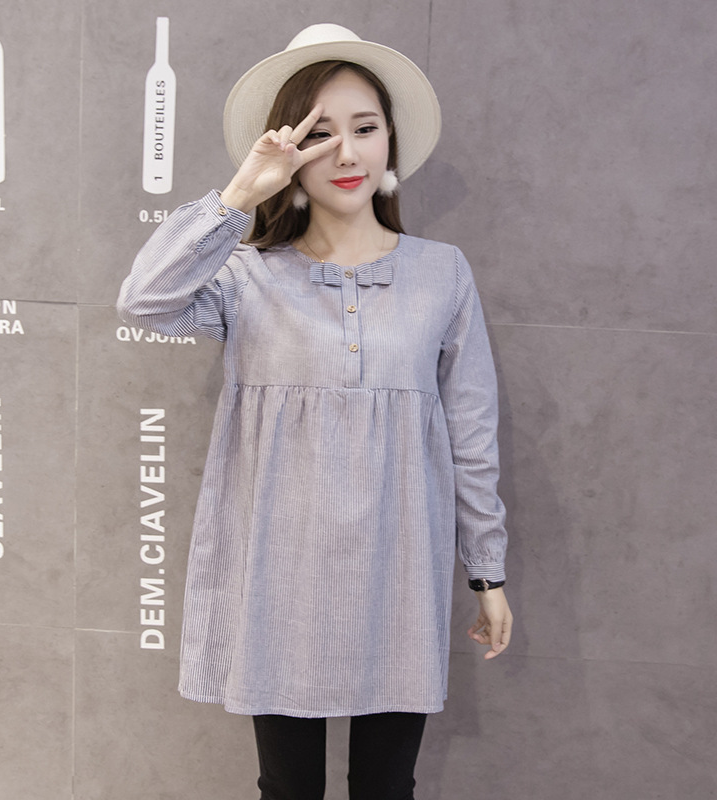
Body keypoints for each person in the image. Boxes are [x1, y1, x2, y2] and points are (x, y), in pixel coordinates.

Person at [118, 22, 513, 800]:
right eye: (319, 134)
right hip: (279, 574)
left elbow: (471, 431)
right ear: (288, 148)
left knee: (386, 788)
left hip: (400, 569)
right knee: (288, 788)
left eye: (365, 128)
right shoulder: (246, 277)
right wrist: (240, 193)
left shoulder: (441, 274)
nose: (346, 152)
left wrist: (487, 572)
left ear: (391, 141)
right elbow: (144, 301)